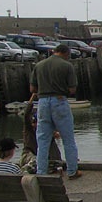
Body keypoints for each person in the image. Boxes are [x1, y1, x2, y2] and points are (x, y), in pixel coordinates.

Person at [30, 42, 82, 179]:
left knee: (42, 141)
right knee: (68, 139)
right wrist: (61, 91)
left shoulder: (39, 65)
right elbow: (72, 89)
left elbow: (32, 89)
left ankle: (41, 172)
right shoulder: (67, 65)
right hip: (59, 101)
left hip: (42, 102)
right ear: (66, 53)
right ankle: (72, 171)